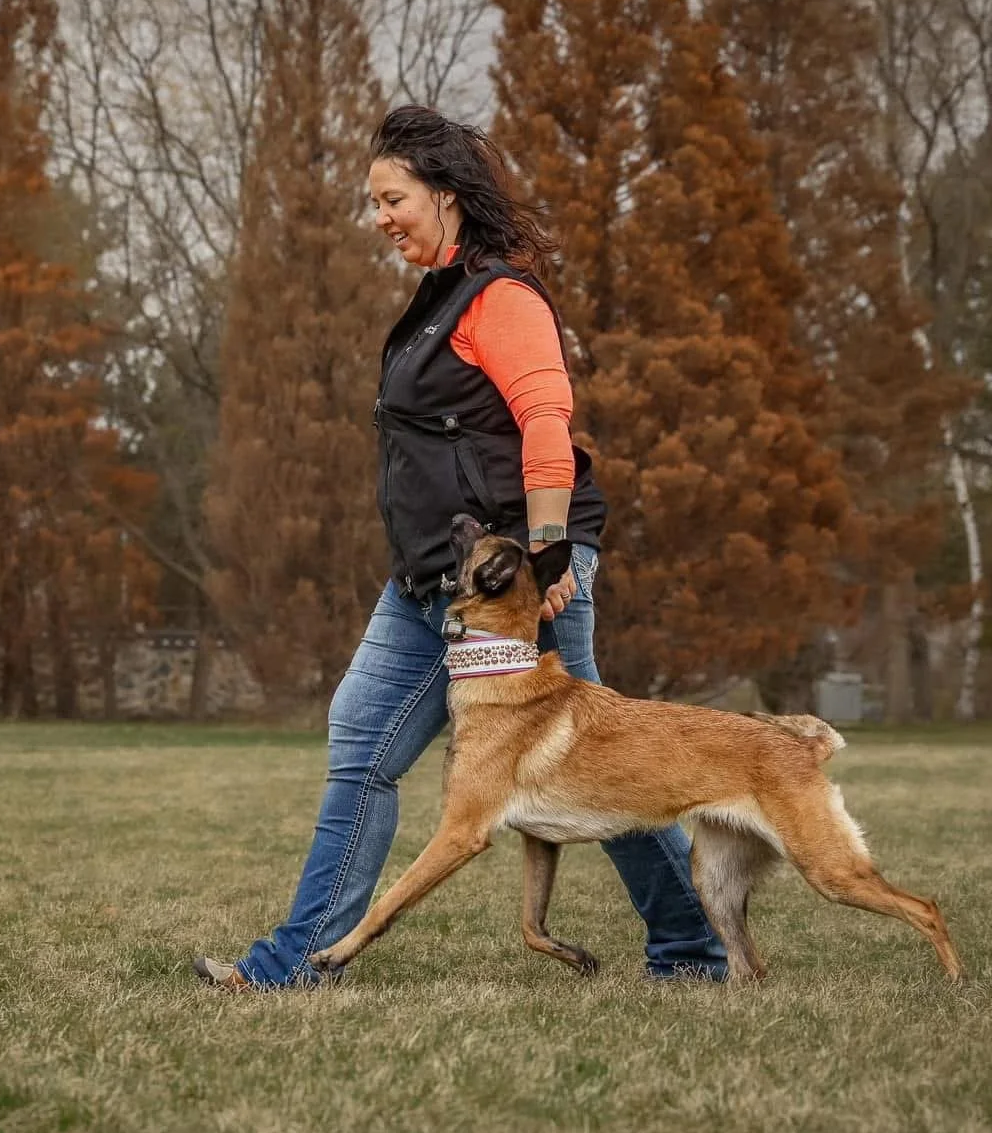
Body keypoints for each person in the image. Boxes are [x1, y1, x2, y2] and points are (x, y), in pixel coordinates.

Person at [192, 105, 727, 990]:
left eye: (392, 197)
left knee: (610, 774)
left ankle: (691, 952)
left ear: (445, 196)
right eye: (375, 201)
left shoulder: (503, 298)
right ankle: (297, 964)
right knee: (362, 743)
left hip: (518, 583)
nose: (380, 217)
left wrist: (550, 561)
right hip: (433, 582)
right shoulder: (437, 301)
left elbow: (546, 427)